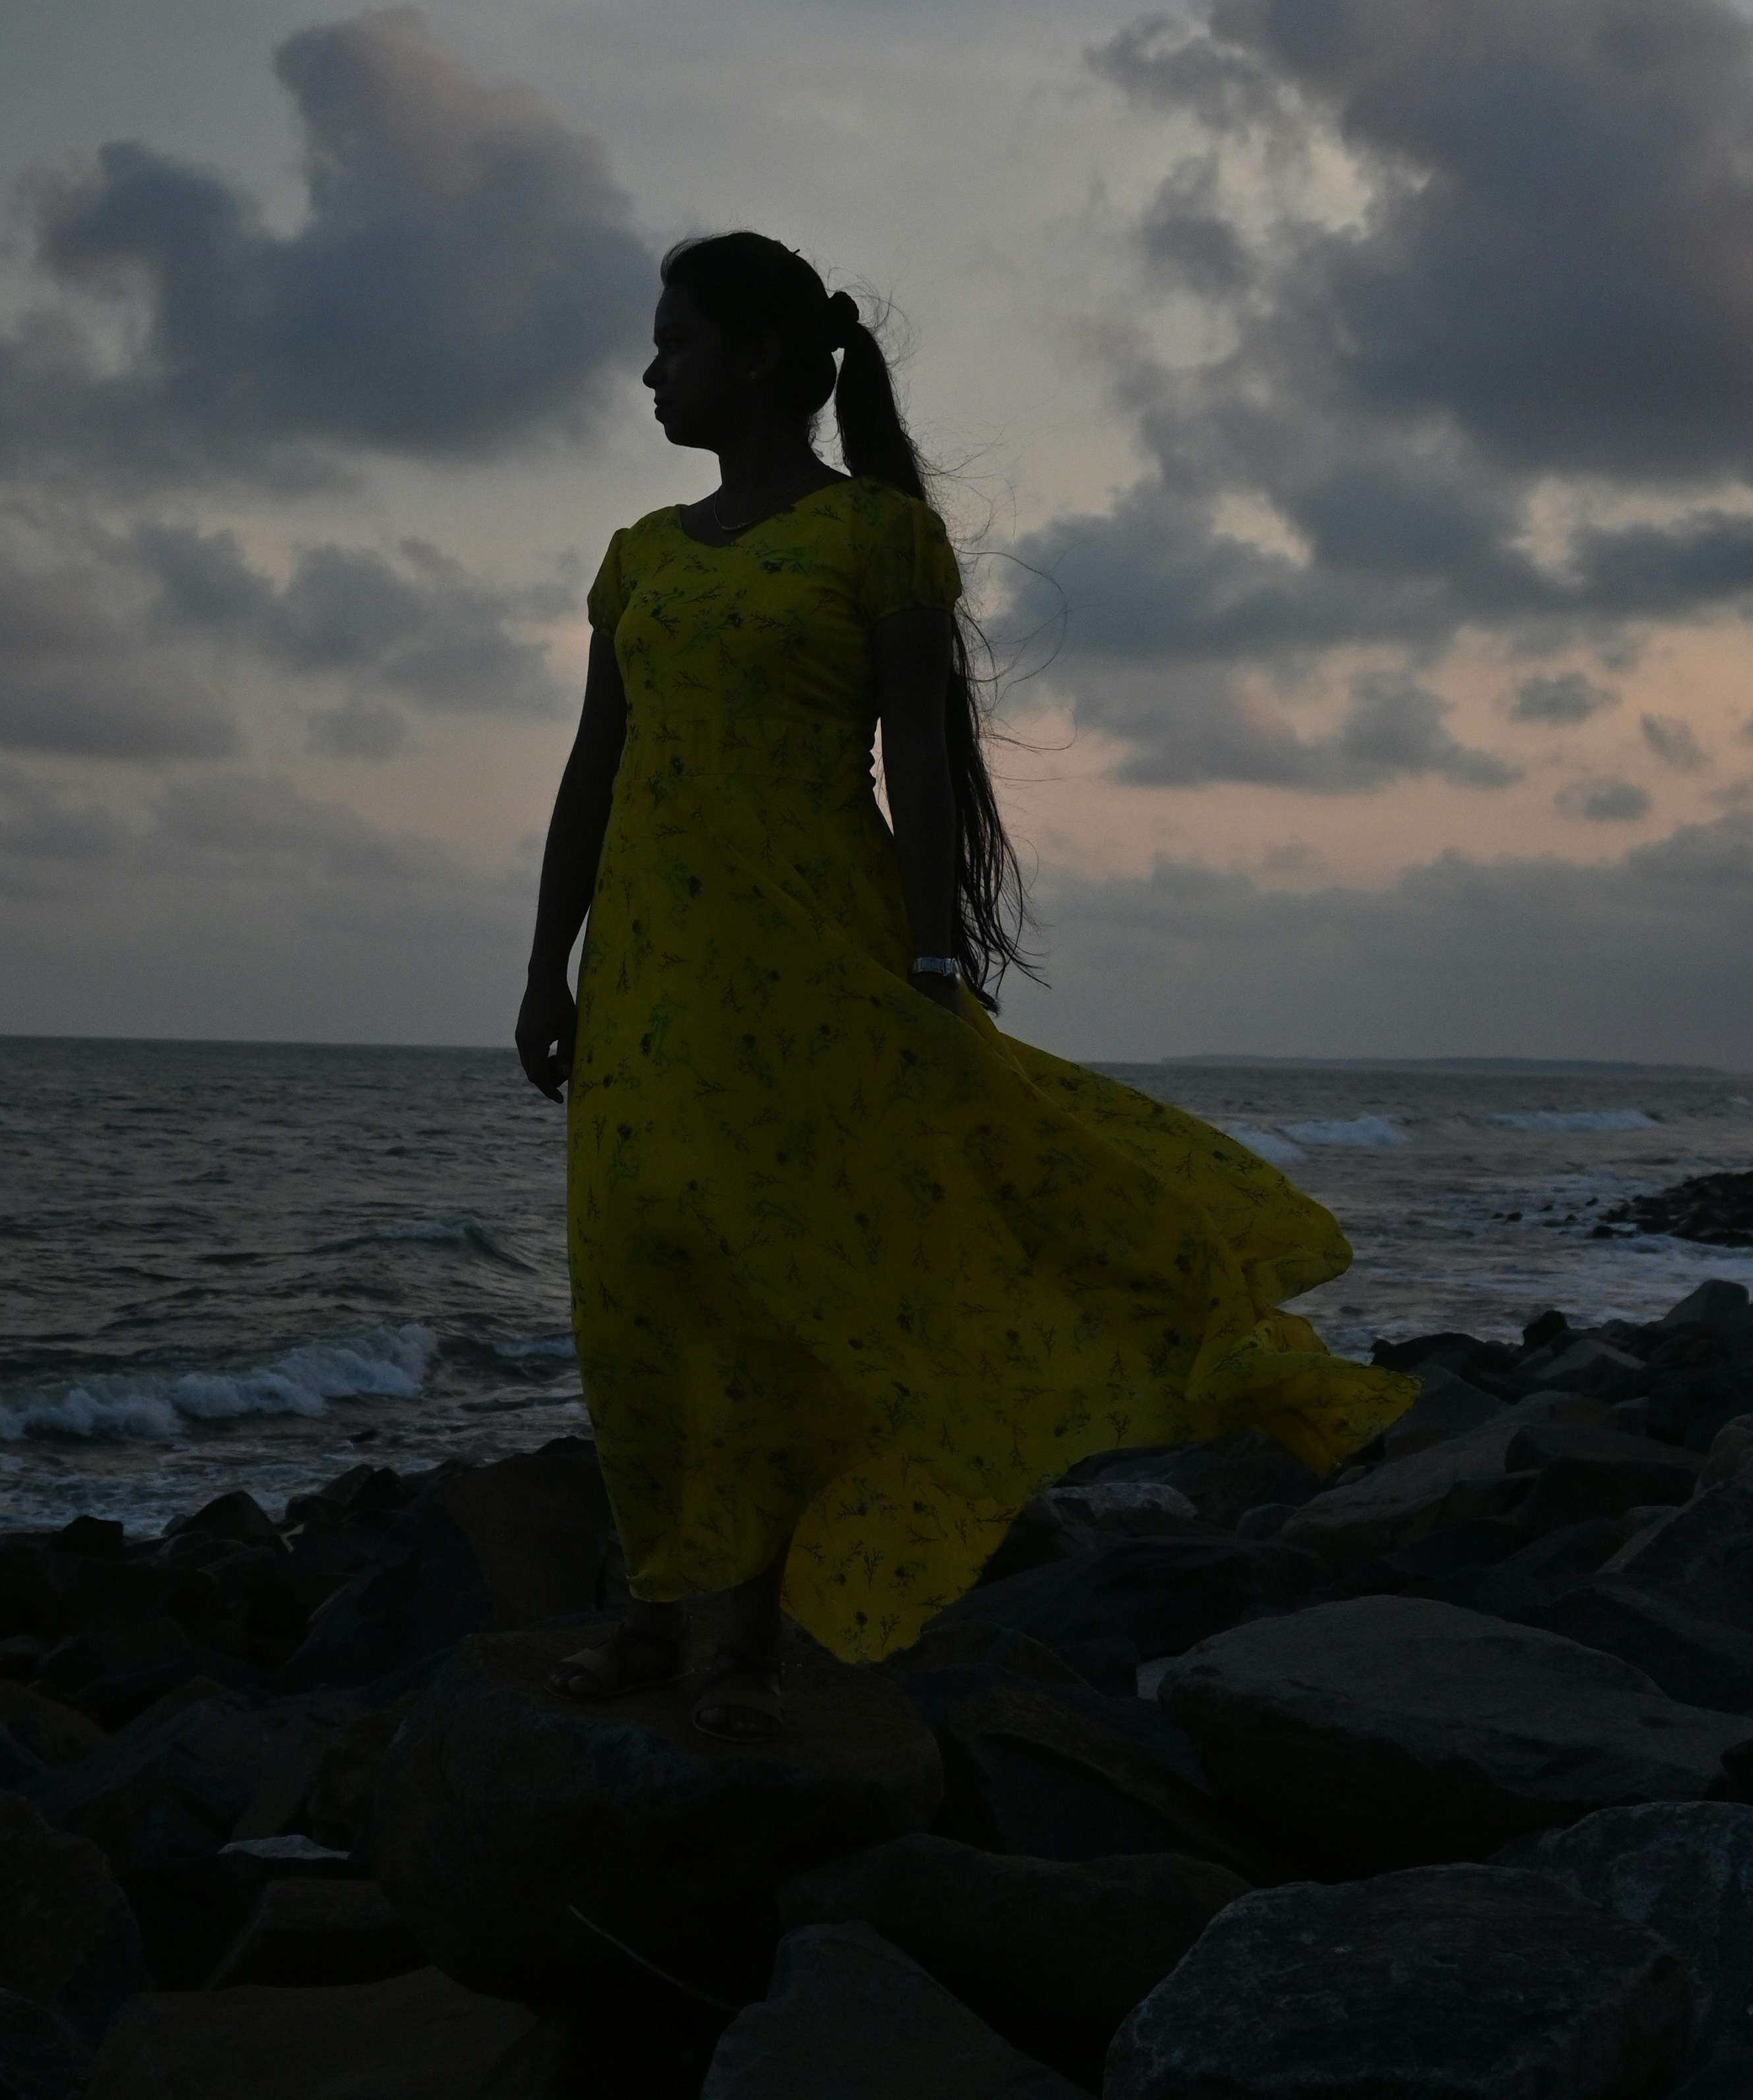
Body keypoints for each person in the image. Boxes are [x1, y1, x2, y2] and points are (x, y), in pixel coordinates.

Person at [514, 231, 1408, 1735]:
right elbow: (590, 770)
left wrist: (931, 955)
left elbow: (921, 760)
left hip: (817, 963)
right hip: (653, 977)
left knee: (787, 1280)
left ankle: (730, 1636)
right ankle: (659, 1609)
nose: (648, 369)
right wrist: (546, 967)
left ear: (751, 361)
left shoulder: (876, 539)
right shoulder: (637, 560)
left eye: (670, 340)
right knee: (639, 1290)